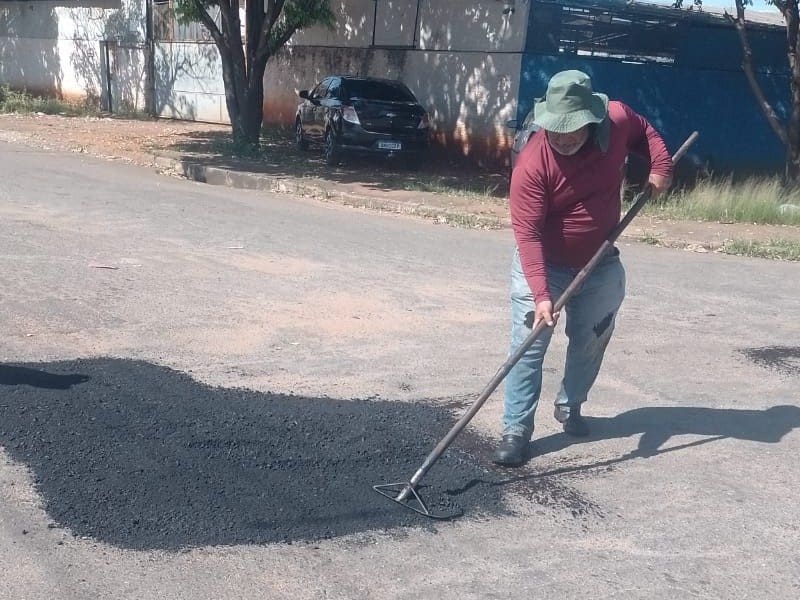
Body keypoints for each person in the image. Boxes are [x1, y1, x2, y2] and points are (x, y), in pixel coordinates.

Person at [494, 70, 673, 467]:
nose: (564, 137)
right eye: (556, 129)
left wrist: (660, 167)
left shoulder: (618, 119)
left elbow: (645, 132)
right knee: (527, 347)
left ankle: (570, 405)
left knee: (592, 337)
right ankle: (515, 430)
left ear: (592, 118)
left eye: (572, 128)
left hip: (601, 262)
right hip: (542, 265)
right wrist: (542, 296)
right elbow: (528, 235)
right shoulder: (532, 164)